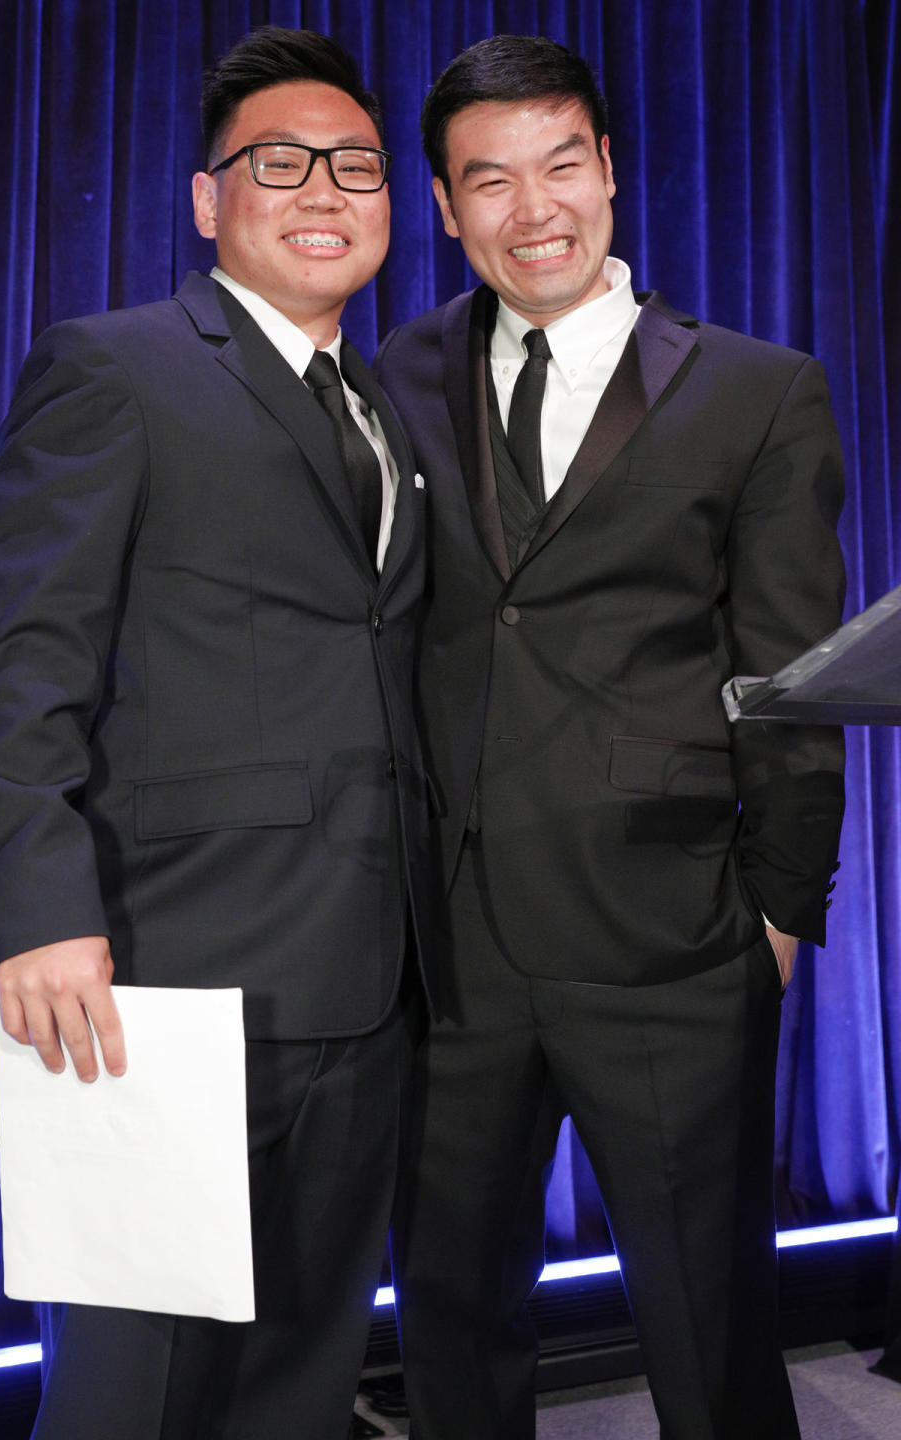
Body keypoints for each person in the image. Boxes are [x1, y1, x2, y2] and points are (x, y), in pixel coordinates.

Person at [0, 26, 430, 1440]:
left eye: (354, 164)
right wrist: (37, 911)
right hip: (158, 979)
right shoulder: (117, 368)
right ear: (207, 200)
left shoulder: (389, 401)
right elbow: (23, 661)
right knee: (133, 1398)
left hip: (366, 978)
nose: (323, 189)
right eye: (278, 164)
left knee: (297, 1378)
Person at [374, 33, 845, 1440]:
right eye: (491, 181)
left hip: (677, 941)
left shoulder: (760, 389)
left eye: (562, 166)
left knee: (710, 1329)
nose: (537, 211)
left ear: (612, 174)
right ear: (448, 210)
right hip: (450, 955)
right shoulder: (391, 376)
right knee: (451, 1319)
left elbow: (792, 676)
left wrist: (781, 912)